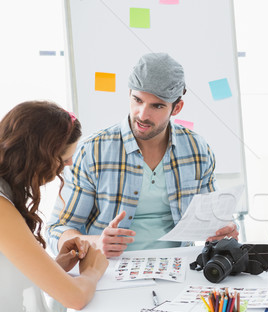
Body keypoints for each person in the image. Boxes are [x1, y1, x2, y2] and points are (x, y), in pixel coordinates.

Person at [46, 53, 238, 258]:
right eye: (137, 100)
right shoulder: (91, 152)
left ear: (177, 108)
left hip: (181, 267)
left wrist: (224, 230)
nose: (143, 115)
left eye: (157, 106)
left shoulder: (197, 149)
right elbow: (58, 229)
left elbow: (214, 220)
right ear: (129, 93)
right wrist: (96, 242)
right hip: (109, 270)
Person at [0, 101, 129, 312]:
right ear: (39, 156)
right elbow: (75, 298)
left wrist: (57, 266)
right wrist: (94, 270)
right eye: (63, 158)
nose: (68, 165)